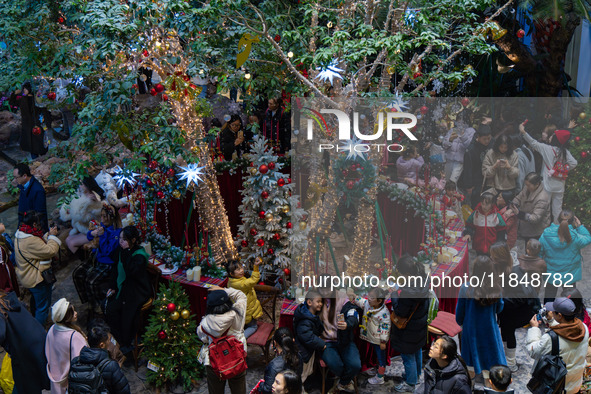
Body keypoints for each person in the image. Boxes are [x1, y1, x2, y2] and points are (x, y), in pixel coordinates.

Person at [456, 256, 506, 387]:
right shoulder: (496, 288)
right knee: (489, 365)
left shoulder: (466, 288)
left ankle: (470, 388)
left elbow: (459, 315)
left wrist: (463, 323)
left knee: (469, 366)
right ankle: (488, 388)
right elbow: (499, 309)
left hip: (470, 331)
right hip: (489, 330)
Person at [527, 297, 589, 394]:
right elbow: (567, 329)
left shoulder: (551, 338)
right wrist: (552, 321)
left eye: (553, 311)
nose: (551, 312)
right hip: (575, 383)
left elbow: (533, 351)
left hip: (558, 386)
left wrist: (534, 328)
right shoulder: (583, 328)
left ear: (559, 315)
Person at [105, 225, 151, 350]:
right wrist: (113, 286)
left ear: (133, 240)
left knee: (123, 311)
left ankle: (124, 342)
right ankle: (119, 338)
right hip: (124, 287)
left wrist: (126, 254)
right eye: (120, 238)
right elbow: (115, 269)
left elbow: (131, 273)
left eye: (124, 239)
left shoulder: (139, 256)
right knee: (109, 308)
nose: (120, 242)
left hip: (136, 290)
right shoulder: (122, 250)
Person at [520, 123, 577, 222]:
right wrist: (564, 169)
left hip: (547, 185)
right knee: (557, 210)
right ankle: (557, 229)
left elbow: (533, 143)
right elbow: (574, 163)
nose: (550, 137)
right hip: (559, 185)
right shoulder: (565, 152)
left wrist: (523, 132)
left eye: (553, 136)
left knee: (544, 208)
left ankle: (544, 230)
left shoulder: (547, 149)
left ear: (555, 139)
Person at [197, 285, 247, 394]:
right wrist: (222, 290)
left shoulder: (204, 323)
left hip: (214, 363)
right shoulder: (238, 312)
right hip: (237, 358)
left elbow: (203, 339)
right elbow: (241, 295)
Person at [390, 256, 430, 393]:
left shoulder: (408, 291)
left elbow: (400, 311)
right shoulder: (424, 279)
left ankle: (410, 383)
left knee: (408, 356)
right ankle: (417, 375)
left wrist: (394, 294)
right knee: (417, 350)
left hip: (408, 329)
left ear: (406, 273)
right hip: (419, 326)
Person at [14, 210, 61, 325]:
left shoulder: (21, 234)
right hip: (37, 279)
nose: (40, 226)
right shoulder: (30, 240)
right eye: (39, 223)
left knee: (36, 303)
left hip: (27, 277)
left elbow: (38, 247)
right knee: (43, 308)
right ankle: (39, 331)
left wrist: (48, 235)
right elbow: (50, 251)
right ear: (34, 224)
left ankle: (35, 322)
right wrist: (53, 237)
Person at [72, 204, 122, 314]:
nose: (102, 220)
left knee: (90, 281)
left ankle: (100, 306)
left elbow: (107, 252)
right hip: (96, 258)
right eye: (101, 216)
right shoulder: (103, 227)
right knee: (77, 274)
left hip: (107, 262)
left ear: (111, 218)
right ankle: (89, 301)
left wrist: (102, 236)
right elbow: (89, 236)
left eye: (105, 217)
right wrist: (93, 233)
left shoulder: (117, 233)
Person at [0, 290, 50, 393]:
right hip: (38, 339)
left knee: (26, 383)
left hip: (24, 350)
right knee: (33, 379)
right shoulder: (7, 299)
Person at [539, 209, 591, 302]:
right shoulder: (576, 237)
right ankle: (570, 315)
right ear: (573, 221)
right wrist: (579, 226)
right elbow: (587, 238)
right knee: (570, 299)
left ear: (558, 219)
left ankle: (547, 314)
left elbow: (539, 252)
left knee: (549, 297)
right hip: (570, 273)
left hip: (551, 273)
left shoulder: (546, 234)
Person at [318, 286, 361, 393]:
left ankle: (341, 383)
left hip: (344, 339)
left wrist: (348, 323)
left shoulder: (341, 297)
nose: (325, 292)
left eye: (327, 289)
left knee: (355, 365)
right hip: (326, 342)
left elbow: (353, 313)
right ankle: (346, 381)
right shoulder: (316, 298)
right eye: (322, 289)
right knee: (335, 364)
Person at [74, 322, 131, 393]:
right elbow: (124, 391)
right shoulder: (111, 366)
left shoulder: (76, 362)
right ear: (102, 345)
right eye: (108, 340)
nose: (109, 342)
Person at [45, 299, 88, 393]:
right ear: (66, 317)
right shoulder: (74, 337)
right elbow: (81, 363)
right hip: (69, 382)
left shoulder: (52, 329)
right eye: (72, 312)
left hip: (56, 378)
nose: (76, 313)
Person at [349, 287, 390, 385]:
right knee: (375, 354)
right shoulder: (368, 304)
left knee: (381, 357)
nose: (368, 298)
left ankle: (380, 377)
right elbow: (362, 301)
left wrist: (383, 341)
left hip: (378, 339)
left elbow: (386, 326)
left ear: (379, 301)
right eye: (369, 296)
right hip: (370, 336)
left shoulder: (384, 313)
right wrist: (354, 296)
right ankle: (376, 369)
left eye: (371, 297)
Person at [63, 176, 105, 255]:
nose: (80, 185)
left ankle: (85, 261)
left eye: (82, 184)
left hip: (92, 230)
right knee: (68, 239)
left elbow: (81, 217)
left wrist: (73, 211)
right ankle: (85, 258)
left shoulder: (92, 198)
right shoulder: (81, 195)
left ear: (87, 185)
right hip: (82, 228)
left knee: (71, 243)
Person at [293, 290, 325, 386]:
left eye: (321, 301)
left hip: (308, 350)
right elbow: (308, 337)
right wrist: (322, 344)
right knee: (302, 374)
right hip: (303, 351)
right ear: (309, 302)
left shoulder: (310, 316)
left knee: (306, 372)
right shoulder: (305, 320)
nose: (321, 304)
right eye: (318, 301)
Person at [9, 82, 48, 158]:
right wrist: (14, 94)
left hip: (36, 124)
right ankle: (36, 160)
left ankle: (42, 159)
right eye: (23, 89)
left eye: (25, 89)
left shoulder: (36, 100)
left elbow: (42, 110)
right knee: (32, 146)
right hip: (28, 125)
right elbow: (12, 102)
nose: (24, 90)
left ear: (30, 89)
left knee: (38, 143)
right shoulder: (23, 99)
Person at [458, 124, 493, 209]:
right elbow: (468, 169)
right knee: (477, 205)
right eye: (484, 139)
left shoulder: (492, 143)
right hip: (476, 182)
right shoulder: (470, 150)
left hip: (489, 179)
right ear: (478, 137)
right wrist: (469, 186)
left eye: (489, 138)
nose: (487, 141)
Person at [227, 258, 263, 339]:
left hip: (241, 309)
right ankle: (240, 339)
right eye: (238, 269)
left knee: (244, 323)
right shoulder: (240, 284)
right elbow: (253, 280)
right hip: (247, 310)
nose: (241, 271)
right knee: (253, 327)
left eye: (241, 268)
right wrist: (256, 267)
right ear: (231, 274)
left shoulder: (231, 281)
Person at [511, 172, 551, 244]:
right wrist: (513, 206)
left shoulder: (542, 198)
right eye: (526, 184)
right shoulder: (526, 189)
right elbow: (518, 198)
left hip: (537, 231)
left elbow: (535, 218)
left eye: (529, 185)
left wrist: (519, 214)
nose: (527, 187)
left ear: (537, 184)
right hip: (527, 227)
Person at [260, 328, 301, 394]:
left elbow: (268, 389)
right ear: (293, 340)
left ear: (275, 343)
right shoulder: (298, 355)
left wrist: (260, 385)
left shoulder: (274, 365)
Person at [14, 163, 48, 232]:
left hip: (35, 230)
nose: (14, 180)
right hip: (25, 227)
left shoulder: (38, 190)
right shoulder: (23, 187)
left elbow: (40, 215)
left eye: (16, 177)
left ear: (24, 176)